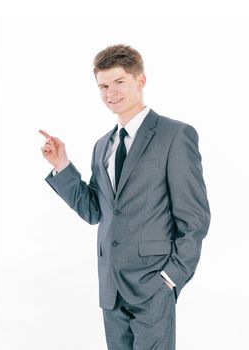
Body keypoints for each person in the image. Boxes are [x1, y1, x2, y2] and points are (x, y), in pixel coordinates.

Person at [39, 44, 210, 350]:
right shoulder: (102, 145)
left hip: (154, 286)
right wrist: (62, 166)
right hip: (111, 289)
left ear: (140, 81)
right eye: (103, 86)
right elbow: (95, 211)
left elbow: (194, 219)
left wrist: (170, 280)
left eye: (119, 82)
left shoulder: (175, 135)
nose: (110, 93)